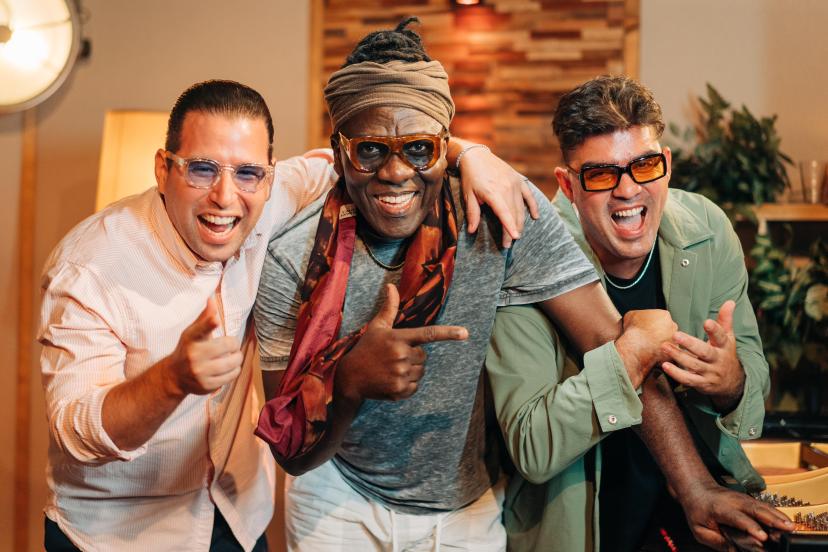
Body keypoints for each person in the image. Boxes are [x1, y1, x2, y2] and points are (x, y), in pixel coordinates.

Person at [39, 79, 532, 552]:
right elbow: (75, 431)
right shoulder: (89, 267)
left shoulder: (276, 196)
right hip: (118, 534)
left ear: (270, 176)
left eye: (247, 173)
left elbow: (366, 153)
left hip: (236, 518)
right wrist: (171, 380)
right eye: (202, 169)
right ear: (163, 168)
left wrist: (471, 153)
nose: (225, 197)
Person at [253, 20, 678, 552]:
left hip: (467, 507)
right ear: (339, 153)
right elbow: (292, 454)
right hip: (336, 499)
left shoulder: (502, 214)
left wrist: (698, 491)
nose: (394, 172)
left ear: (443, 148)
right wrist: (348, 385)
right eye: (370, 150)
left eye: (419, 149)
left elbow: (613, 344)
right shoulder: (291, 255)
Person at [486, 75, 794, 552]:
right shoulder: (527, 253)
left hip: (698, 518)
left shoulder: (708, 229)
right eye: (601, 174)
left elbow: (753, 389)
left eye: (645, 165)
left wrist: (731, 382)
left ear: (666, 164)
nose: (628, 190)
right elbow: (533, 446)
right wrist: (630, 354)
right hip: (581, 529)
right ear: (567, 185)